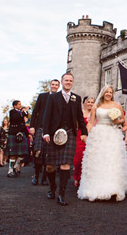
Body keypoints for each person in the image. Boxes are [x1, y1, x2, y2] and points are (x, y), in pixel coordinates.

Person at [77, 85, 127, 202]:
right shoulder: (96, 106)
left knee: (112, 161)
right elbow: (91, 122)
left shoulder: (117, 105)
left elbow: (125, 123)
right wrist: (85, 133)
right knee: (99, 161)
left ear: (113, 94)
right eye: (106, 92)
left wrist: (118, 123)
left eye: (110, 92)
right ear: (102, 93)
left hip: (113, 135)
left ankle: (114, 188)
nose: (108, 94)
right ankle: (96, 187)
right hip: (99, 134)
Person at [42, 72, 88, 206]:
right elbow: (46, 116)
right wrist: (45, 133)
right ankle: (52, 186)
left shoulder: (76, 98)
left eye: (70, 80)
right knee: (50, 166)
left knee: (65, 165)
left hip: (70, 134)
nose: (68, 82)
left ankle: (61, 194)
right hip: (53, 134)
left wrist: (84, 132)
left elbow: (80, 117)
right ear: (62, 82)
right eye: (66, 80)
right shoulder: (53, 97)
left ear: (72, 83)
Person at [30, 79, 60, 186]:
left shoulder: (59, 98)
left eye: (57, 85)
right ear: (50, 85)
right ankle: (36, 176)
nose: (54, 86)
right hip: (40, 127)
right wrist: (32, 126)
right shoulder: (42, 96)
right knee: (38, 152)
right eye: (53, 84)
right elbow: (35, 112)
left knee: (48, 155)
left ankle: (44, 178)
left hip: (52, 129)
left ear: (59, 86)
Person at [74, 95, 96, 187]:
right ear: (85, 103)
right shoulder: (81, 113)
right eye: (88, 102)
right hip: (80, 136)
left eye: (92, 102)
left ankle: (85, 178)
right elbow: (76, 125)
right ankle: (76, 177)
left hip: (93, 137)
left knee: (90, 159)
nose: (90, 104)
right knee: (78, 158)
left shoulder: (95, 114)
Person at [6, 100, 30, 177]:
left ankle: (15, 167)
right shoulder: (12, 112)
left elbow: (24, 122)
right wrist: (24, 112)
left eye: (20, 104)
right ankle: (10, 170)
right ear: (15, 106)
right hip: (13, 133)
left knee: (22, 154)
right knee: (13, 154)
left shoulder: (21, 113)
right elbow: (15, 119)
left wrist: (28, 134)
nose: (20, 105)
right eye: (19, 104)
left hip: (22, 134)